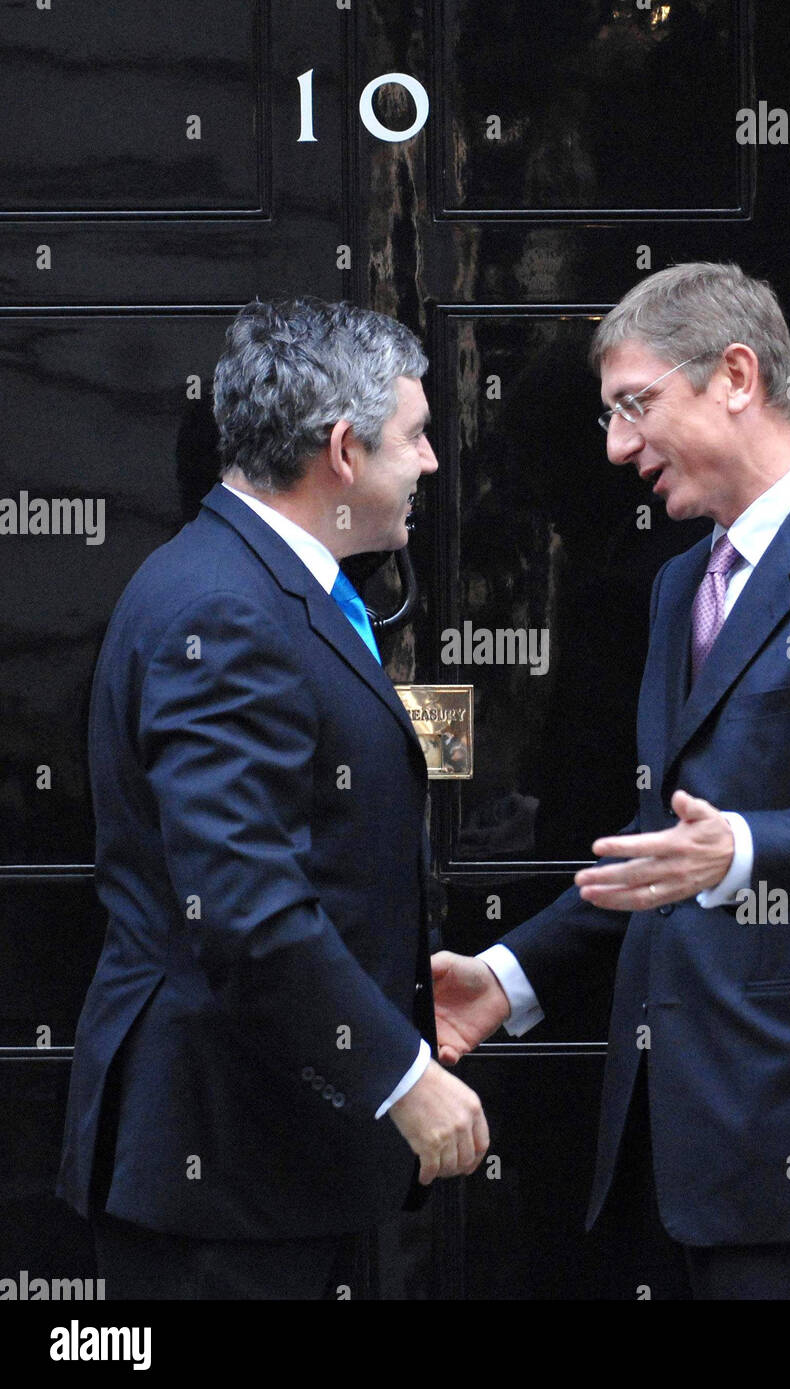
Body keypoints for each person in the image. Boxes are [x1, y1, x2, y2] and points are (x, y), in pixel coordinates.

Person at [431, 262, 790, 1300]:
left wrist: (742, 847)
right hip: (662, 1149)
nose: (616, 447)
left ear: (736, 375)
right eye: (608, 415)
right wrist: (505, 979)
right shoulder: (680, 581)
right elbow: (658, 854)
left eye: (635, 406)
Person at [57, 298, 488, 1299]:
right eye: (417, 436)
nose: (431, 463)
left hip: (265, 1165)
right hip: (223, 1176)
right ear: (343, 449)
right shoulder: (224, 608)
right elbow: (245, 905)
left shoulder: (268, 585)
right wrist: (401, 1075)